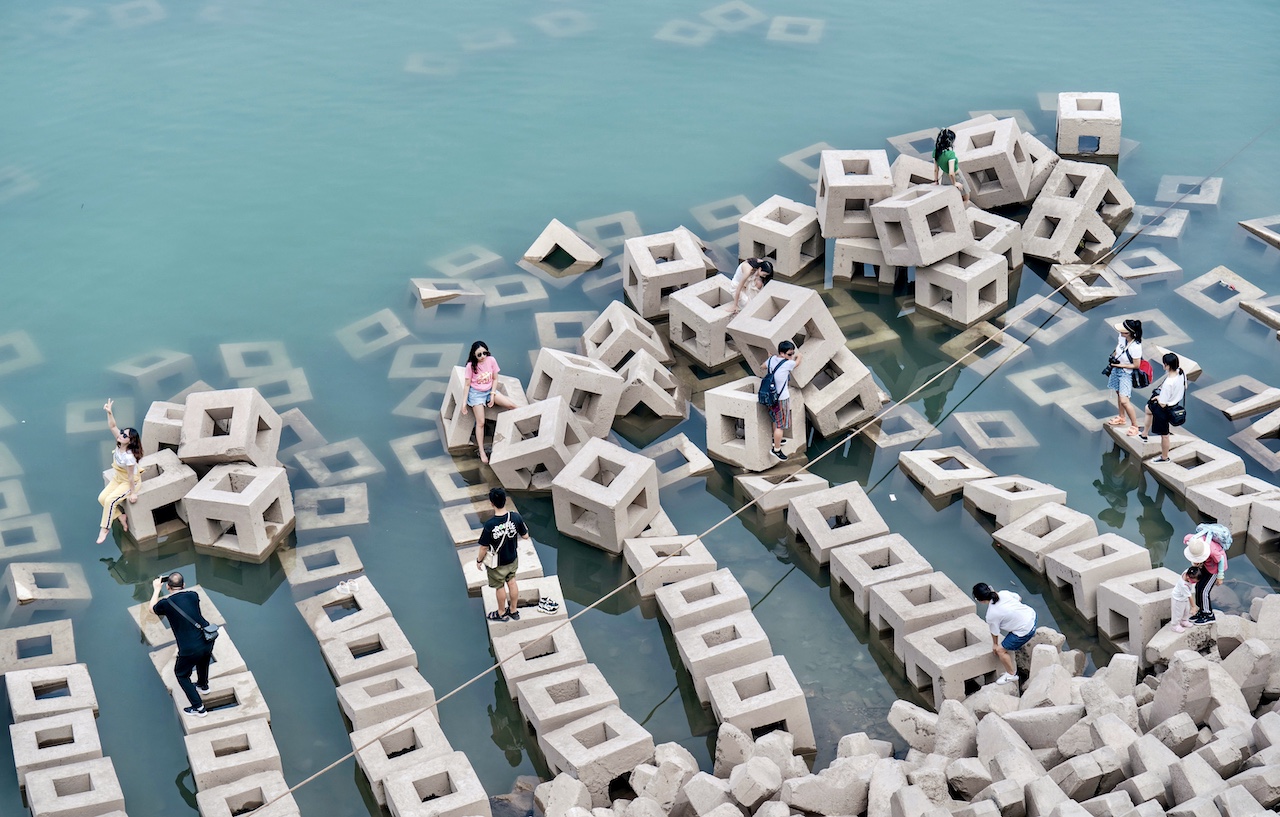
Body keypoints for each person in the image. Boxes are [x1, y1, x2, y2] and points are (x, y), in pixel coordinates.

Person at [150, 572, 214, 717]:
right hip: (207, 639)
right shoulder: (193, 595)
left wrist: (156, 589)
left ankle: (199, 708)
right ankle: (203, 686)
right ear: (184, 585)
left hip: (189, 648)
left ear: (167, 586)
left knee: (181, 674)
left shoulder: (165, 604)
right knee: (203, 662)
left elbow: (151, 608)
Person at [474, 487, 530, 622]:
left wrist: (479, 560)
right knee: (512, 582)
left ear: (491, 503)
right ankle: (514, 610)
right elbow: (526, 535)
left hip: (497, 564)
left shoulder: (490, 525)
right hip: (512, 559)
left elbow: (483, 547)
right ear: (505, 501)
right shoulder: (515, 517)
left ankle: (501, 612)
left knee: (499, 587)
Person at [96, 398, 144, 544]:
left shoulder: (129, 457)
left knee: (110, 501)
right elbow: (113, 426)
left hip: (129, 482)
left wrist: (133, 493)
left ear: (130, 441)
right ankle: (120, 516)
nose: (121, 434)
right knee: (102, 498)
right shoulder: (119, 443)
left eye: (124, 435)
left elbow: (130, 477)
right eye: (122, 432)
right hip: (118, 478)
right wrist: (109, 413)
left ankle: (105, 528)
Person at [972, 583, 1037, 685]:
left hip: (1025, 630)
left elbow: (995, 632)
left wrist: (995, 644)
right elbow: (1018, 598)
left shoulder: (991, 615)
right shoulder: (1004, 593)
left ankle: (1011, 674)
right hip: (1032, 616)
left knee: (1000, 650)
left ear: (980, 600)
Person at [462, 341, 516, 464]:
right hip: (476, 394)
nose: (483, 356)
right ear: (474, 355)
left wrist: (492, 395)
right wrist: (464, 403)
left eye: (485, 353)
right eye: (479, 354)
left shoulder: (491, 360)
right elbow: (467, 385)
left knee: (511, 405)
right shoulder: (471, 366)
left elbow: (495, 378)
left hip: (489, 391)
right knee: (480, 422)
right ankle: (481, 451)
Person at [1140, 353, 1187, 462]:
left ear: (1167, 366)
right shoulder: (1181, 372)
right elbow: (1185, 386)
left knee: (1165, 435)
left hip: (1165, 408)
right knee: (1148, 409)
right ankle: (1144, 434)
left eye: (1164, 364)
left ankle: (1164, 457)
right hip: (1176, 403)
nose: (1163, 365)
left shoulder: (1169, 383)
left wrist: (1158, 397)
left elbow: (1162, 404)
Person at [1105, 318, 1144, 437]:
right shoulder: (1121, 337)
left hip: (1126, 373)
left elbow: (1136, 365)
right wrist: (1114, 358)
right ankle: (1122, 417)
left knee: (1124, 400)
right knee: (1118, 393)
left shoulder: (1136, 347)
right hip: (1116, 370)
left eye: (1123, 331)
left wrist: (1119, 364)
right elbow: (1118, 348)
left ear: (1130, 333)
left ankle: (1135, 425)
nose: (1121, 333)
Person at [1183, 525, 1229, 624]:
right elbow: (1186, 538)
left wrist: (1220, 576)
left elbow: (1221, 560)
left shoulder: (1212, 551)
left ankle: (1208, 615)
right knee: (1198, 586)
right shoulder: (1193, 541)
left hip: (1215, 569)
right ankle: (1201, 610)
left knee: (1204, 591)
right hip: (1205, 566)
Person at [763, 340, 801, 461]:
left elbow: (762, 366)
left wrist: (771, 358)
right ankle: (776, 450)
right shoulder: (788, 364)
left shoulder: (771, 360)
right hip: (781, 399)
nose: (791, 356)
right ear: (782, 353)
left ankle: (776, 440)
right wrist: (799, 356)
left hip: (771, 397)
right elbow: (797, 363)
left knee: (775, 419)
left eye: (792, 354)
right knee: (780, 425)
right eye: (790, 354)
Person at [932, 128, 967, 202]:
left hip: (945, 178)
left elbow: (936, 169)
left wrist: (936, 181)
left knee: (952, 199)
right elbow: (951, 173)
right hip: (956, 177)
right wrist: (955, 183)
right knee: (965, 198)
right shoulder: (950, 155)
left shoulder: (936, 152)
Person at [1170, 566, 1201, 633]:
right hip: (1178, 598)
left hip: (1184, 597)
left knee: (1186, 610)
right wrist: (1193, 607)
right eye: (1193, 582)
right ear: (1187, 577)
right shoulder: (1183, 585)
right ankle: (1175, 625)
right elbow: (1189, 596)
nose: (1193, 583)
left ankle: (1184, 620)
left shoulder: (1188, 571)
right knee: (1178, 612)